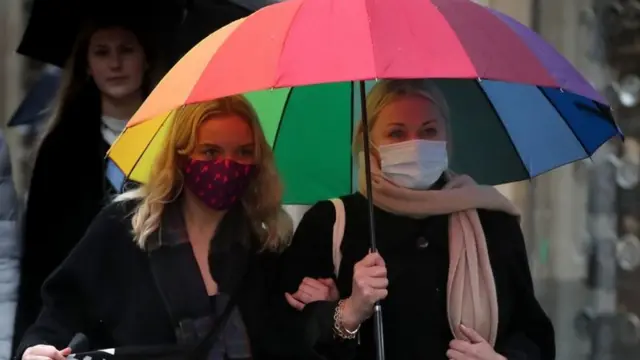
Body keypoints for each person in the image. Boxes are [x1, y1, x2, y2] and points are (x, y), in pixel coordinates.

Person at [278, 79, 556, 360]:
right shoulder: (330, 223)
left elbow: (532, 334)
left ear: (447, 138)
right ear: (368, 143)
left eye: (429, 131)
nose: (415, 145)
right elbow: (287, 337)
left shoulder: (491, 220)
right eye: (396, 133)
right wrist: (347, 312)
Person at [16, 96, 304, 360]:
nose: (227, 165)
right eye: (210, 152)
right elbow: (61, 312)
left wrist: (330, 311)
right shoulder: (126, 226)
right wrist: (36, 349)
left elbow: (289, 341)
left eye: (243, 151)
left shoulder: (266, 241)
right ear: (180, 156)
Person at [12, 17, 158, 351]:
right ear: (88, 66)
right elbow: (41, 257)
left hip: (155, 308)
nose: (116, 63)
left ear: (146, 58)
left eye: (126, 50)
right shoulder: (61, 148)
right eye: (102, 52)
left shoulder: (176, 140)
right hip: (82, 316)